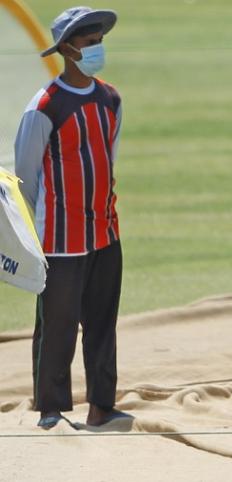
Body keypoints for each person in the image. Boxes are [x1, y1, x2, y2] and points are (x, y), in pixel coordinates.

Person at [14, 6, 129, 429]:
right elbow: (26, 174)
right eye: (88, 42)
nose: (97, 48)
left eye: (100, 41)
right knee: (57, 324)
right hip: (60, 237)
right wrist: (44, 223)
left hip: (105, 230)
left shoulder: (111, 98)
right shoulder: (45, 105)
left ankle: (102, 404)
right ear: (66, 49)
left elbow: (107, 159)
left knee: (103, 321)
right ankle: (51, 408)